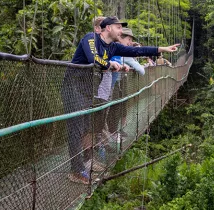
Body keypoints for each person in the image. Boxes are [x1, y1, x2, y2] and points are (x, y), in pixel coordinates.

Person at [63, 16, 179, 184]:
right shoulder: (91, 38)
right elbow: (93, 58)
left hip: (88, 90)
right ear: (108, 28)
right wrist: (110, 65)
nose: (121, 31)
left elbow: (136, 51)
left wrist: (163, 49)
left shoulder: (113, 47)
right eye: (118, 27)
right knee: (76, 128)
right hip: (72, 89)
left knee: (87, 126)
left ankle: (86, 162)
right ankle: (77, 170)